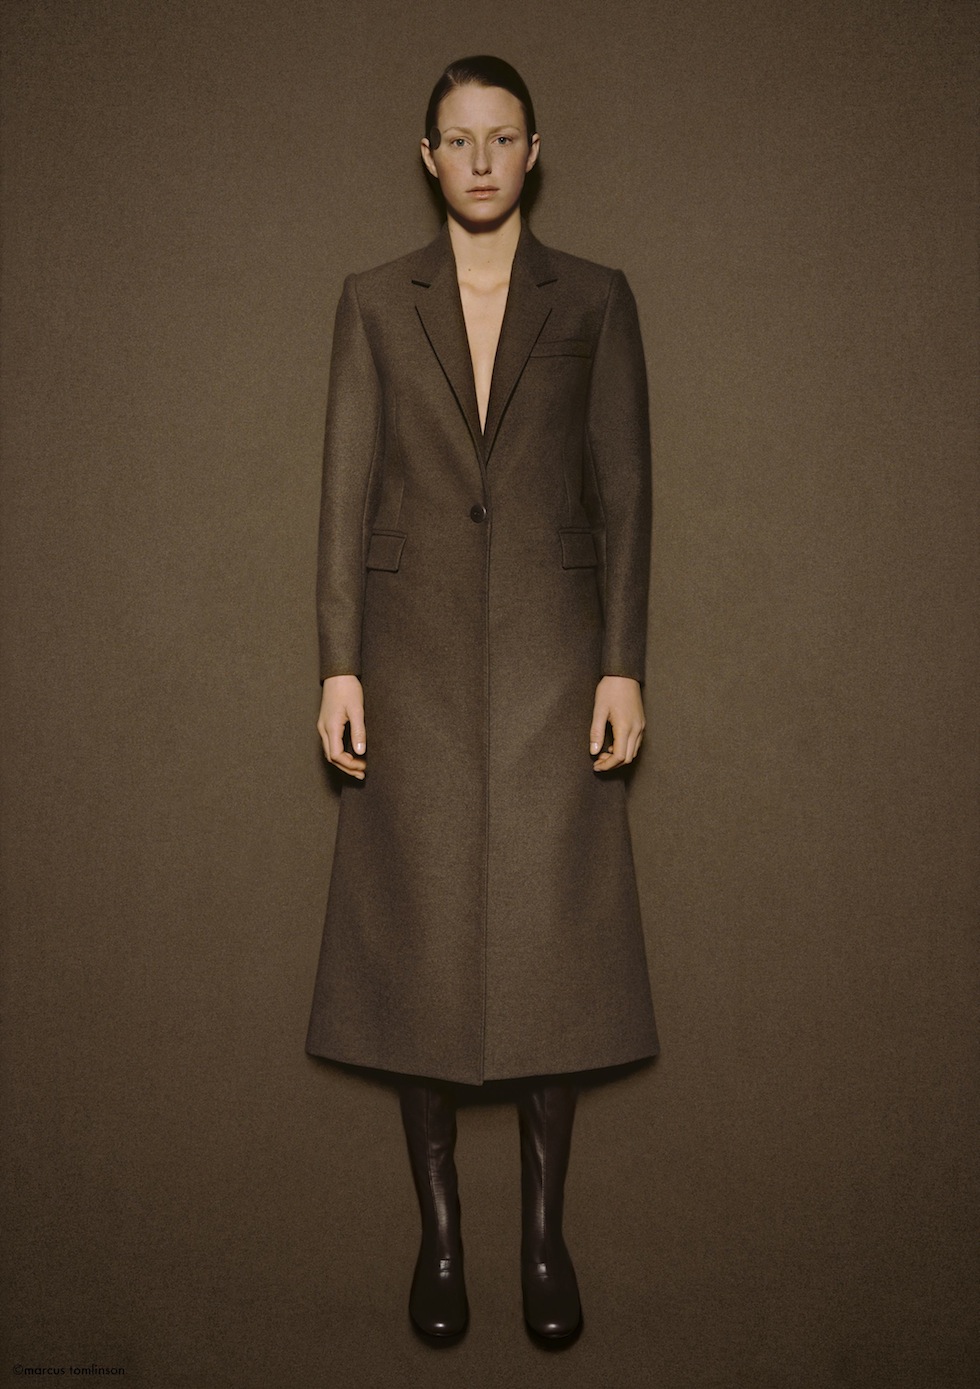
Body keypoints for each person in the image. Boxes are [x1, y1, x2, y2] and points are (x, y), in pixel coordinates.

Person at [307, 55, 658, 1345]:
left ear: (532, 151)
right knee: (419, 942)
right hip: (410, 661)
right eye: (458, 140)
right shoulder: (370, 300)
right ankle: (442, 1238)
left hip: (558, 661)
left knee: (554, 946)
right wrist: (339, 664)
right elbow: (345, 491)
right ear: (427, 155)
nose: (480, 161)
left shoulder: (599, 297)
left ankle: (543, 1236)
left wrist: (622, 661)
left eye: (501, 138)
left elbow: (626, 491)